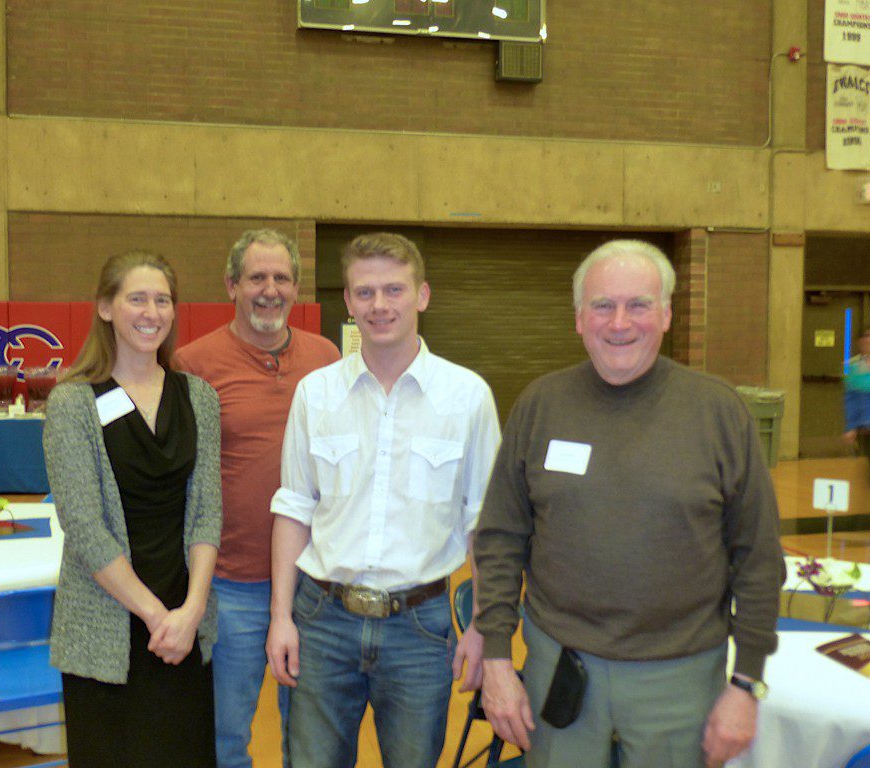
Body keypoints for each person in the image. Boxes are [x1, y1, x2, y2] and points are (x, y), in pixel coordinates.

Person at [473, 239, 784, 768]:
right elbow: (501, 539)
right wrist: (498, 660)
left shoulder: (718, 412)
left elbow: (757, 557)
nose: (620, 322)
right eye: (602, 305)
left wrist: (746, 683)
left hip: (681, 676)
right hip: (559, 667)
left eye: (638, 304)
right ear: (578, 318)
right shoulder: (540, 405)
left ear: (666, 314)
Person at [266, 232, 501, 768]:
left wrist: (485, 622)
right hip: (322, 621)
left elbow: (484, 524)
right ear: (347, 302)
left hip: (421, 630)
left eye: (394, 289)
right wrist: (282, 616)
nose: (379, 305)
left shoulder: (467, 398)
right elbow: (294, 507)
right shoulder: (316, 394)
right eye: (365, 292)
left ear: (422, 295)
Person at [43, 251, 222, 768]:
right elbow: (83, 526)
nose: (152, 312)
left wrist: (189, 612)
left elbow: (209, 509)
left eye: (162, 300)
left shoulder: (200, 398)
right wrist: (155, 617)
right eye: (136, 298)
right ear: (105, 308)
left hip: (184, 627)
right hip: (109, 624)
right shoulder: (73, 403)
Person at [172, 229, 339, 768]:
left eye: (282, 278)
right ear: (232, 286)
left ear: (296, 288)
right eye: (257, 278)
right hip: (231, 584)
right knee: (225, 736)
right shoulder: (193, 364)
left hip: (316, 584)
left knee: (312, 737)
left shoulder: (327, 357)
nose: (270, 290)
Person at [843, 326, 870, 465]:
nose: (867, 340)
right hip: (864, 427)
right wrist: (851, 427)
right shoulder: (853, 366)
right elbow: (851, 398)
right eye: (865, 336)